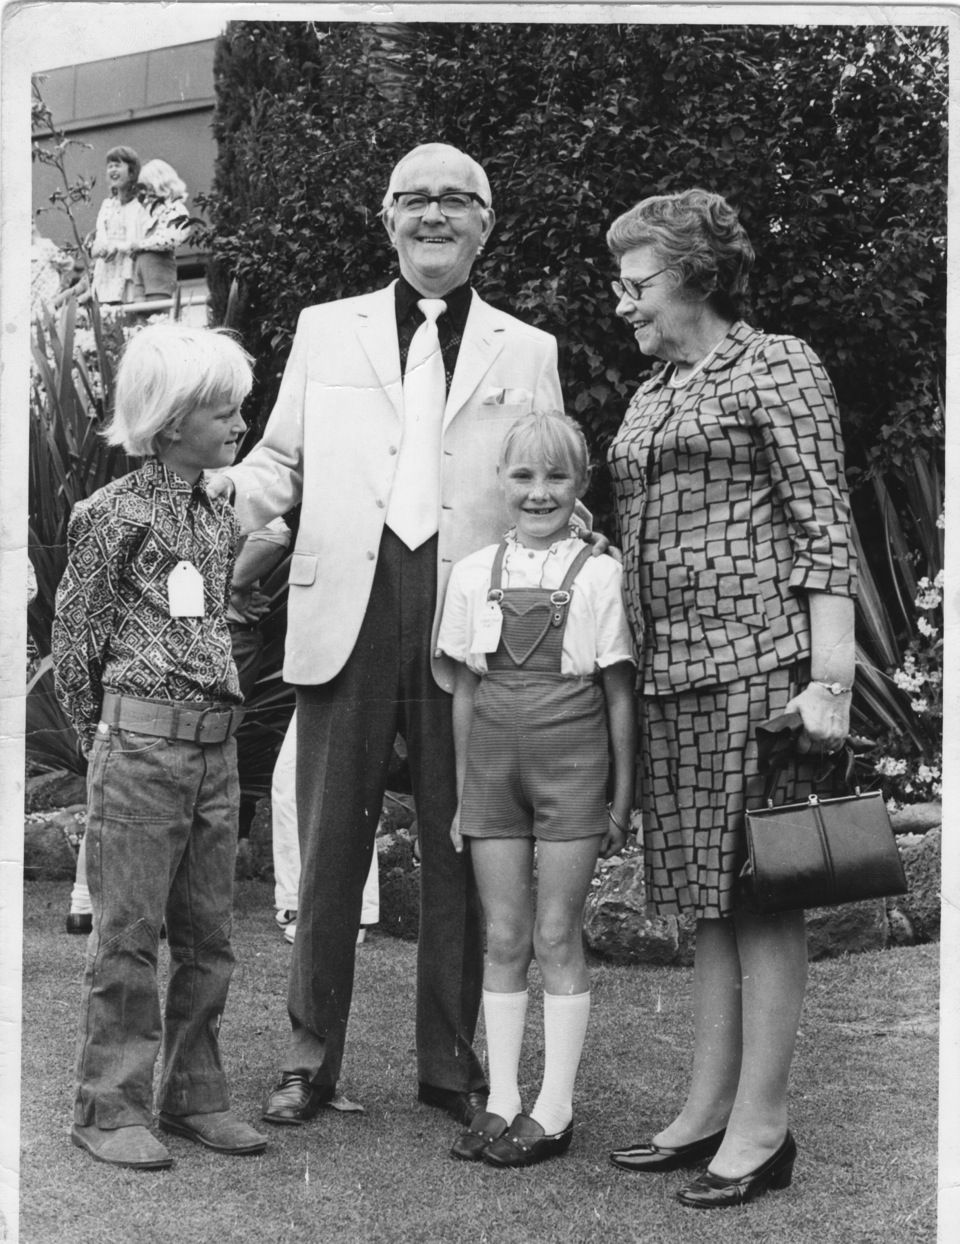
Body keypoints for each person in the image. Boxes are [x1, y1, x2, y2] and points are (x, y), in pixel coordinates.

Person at [211, 142, 564, 1129]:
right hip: (346, 608)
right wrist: (210, 498)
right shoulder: (328, 329)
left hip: (471, 615)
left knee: (463, 839)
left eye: (457, 200)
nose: (434, 215)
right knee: (329, 846)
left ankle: (451, 1067)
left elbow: (547, 483)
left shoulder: (526, 348)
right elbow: (280, 460)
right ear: (389, 218)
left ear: (486, 223)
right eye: (415, 199)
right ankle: (306, 1059)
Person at [604, 189, 857, 1208]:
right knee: (710, 902)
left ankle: (763, 1125)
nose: (623, 304)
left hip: (757, 666)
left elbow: (822, 522)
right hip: (671, 675)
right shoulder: (657, 387)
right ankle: (705, 1106)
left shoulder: (778, 363)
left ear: (696, 276)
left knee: (763, 897)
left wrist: (830, 678)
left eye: (637, 283)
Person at [52, 322, 268, 1171]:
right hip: (141, 752)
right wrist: (102, 742)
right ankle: (108, 1108)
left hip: (216, 752)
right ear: (173, 420)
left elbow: (205, 616)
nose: (240, 427)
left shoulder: (217, 506)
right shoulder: (108, 515)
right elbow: (75, 641)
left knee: (209, 937)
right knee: (130, 936)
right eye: (226, 412)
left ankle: (192, 1093)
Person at [437, 410, 635, 1167]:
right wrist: (462, 793)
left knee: (557, 934)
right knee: (504, 936)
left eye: (557, 477)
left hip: (572, 765)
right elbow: (462, 692)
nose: (539, 492)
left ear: (581, 485)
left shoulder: (601, 574)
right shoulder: (472, 573)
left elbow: (619, 692)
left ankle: (554, 1109)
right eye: (524, 475)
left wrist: (620, 798)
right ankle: (503, 1099)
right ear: (501, 483)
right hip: (492, 769)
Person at [271, 710, 380, 945]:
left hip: (349, 681)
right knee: (289, 782)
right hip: (316, 678)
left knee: (348, 782)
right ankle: (298, 903)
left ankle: (352, 915)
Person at [89, 146, 145, 305]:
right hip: (105, 271)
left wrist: (117, 247)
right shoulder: (106, 205)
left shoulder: (139, 206)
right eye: (110, 166)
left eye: (118, 165)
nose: (113, 169)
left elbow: (137, 241)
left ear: (132, 170)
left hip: (128, 270)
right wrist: (98, 248)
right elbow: (100, 236)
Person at [131, 159, 191, 303]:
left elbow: (172, 238)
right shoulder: (149, 212)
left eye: (149, 187)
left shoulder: (175, 209)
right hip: (141, 270)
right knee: (140, 319)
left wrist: (142, 244)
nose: (146, 193)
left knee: (156, 316)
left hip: (158, 272)